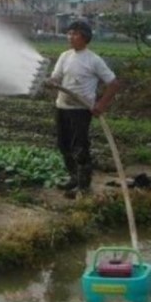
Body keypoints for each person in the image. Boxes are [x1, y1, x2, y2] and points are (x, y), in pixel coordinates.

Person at [46, 20, 121, 196]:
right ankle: (73, 178)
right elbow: (56, 77)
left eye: (75, 34)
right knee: (63, 145)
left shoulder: (93, 60)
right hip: (62, 106)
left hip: (80, 110)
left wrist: (100, 105)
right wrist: (52, 82)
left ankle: (83, 186)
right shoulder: (65, 56)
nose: (70, 37)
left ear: (85, 37)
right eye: (69, 33)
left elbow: (113, 83)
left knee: (79, 147)